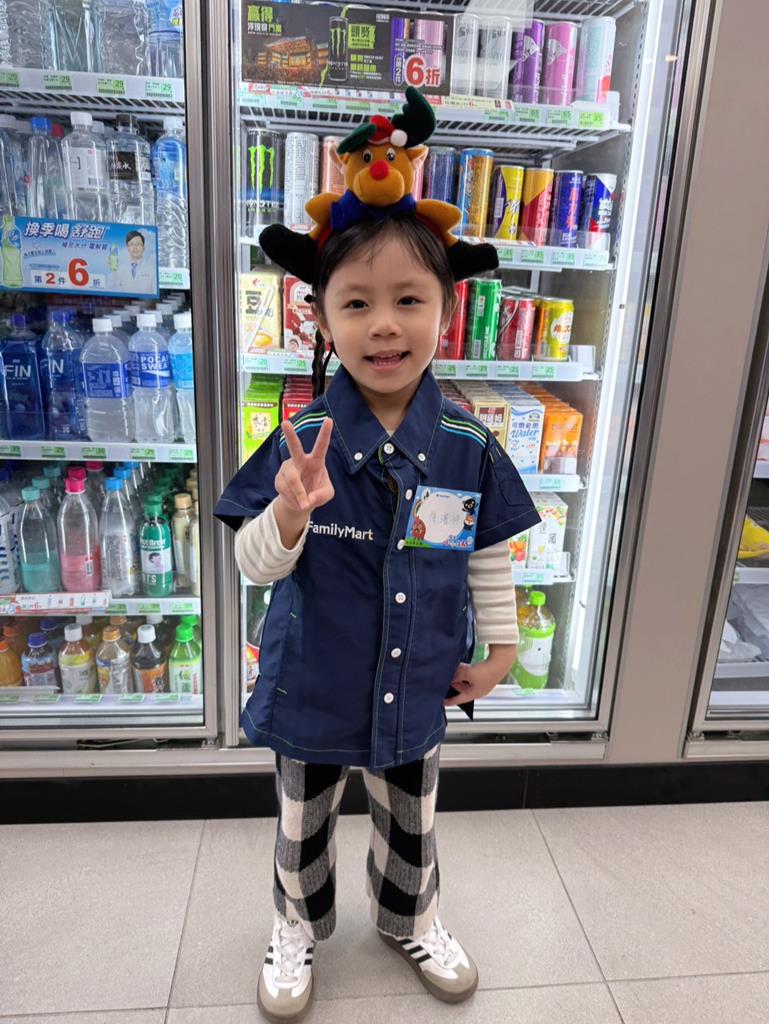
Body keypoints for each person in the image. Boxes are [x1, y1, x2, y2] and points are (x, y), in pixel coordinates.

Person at [215, 96, 540, 1024]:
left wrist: (501, 650)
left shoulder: (466, 444)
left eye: (408, 300)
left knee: (412, 818)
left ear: (447, 309)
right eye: (356, 303)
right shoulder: (302, 439)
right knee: (300, 820)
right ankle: (295, 925)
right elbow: (252, 567)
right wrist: (288, 512)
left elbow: (485, 553)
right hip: (313, 678)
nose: (384, 325)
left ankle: (411, 916)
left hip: (420, 675)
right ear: (320, 316)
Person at [108, 230, 157, 294]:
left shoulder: (152, 270)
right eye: (131, 244)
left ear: (144, 248)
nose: (135, 247)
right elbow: (112, 289)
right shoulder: (121, 269)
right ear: (127, 248)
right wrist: (113, 270)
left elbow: (155, 291)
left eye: (138, 244)